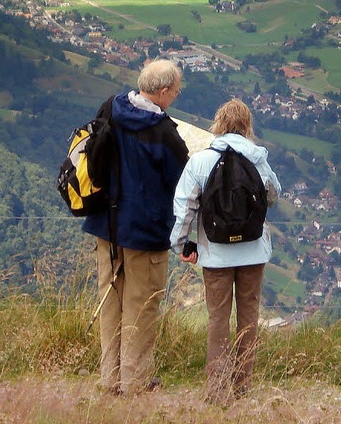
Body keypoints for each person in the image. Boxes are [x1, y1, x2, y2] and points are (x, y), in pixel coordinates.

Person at [83, 59, 189, 396]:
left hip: (107, 225)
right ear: (162, 92)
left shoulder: (111, 108)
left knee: (111, 302)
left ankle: (109, 378)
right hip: (145, 232)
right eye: (174, 91)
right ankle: (135, 382)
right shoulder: (164, 134)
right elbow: (181, 185)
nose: (175, 96)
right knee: (142, 306)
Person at [170, 98, 281, 404]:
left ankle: (217, 392)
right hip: (253, 253)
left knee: (218, 320)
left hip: (215, 254)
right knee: (248, 318)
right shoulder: (258, 158)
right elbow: (273, 195)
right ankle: (243, 388)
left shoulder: (201, 161)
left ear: (218, 123)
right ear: (248, 125)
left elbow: (184, 209)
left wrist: (182, 246)